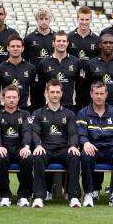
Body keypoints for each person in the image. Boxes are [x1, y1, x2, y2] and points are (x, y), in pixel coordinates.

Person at [31, 79, 81, 208]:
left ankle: (74, 196)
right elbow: (35, 132)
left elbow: (73, 133)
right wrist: (38, 145)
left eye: (57, 92)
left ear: (61, 94)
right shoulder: (38, 113)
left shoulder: (69, 114)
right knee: (37, 156)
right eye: (52, 92)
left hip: (63, 149)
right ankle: (38, 197)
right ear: (46, 93)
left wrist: (73, 146)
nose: (54, 94)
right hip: (45, 149)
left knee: (75, 156)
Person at [77, 81, 113, 208]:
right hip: (93, 147)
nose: (99, 96)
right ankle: (88, 194)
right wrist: (86, 143)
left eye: (101, 93)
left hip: (111, 148)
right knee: (85, 155)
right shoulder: (83, 113)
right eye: (96, 93)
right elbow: (81, 135)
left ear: (106, 94)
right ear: (91, 94)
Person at [0, 85, 33, 207]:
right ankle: (5, 195)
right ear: (3, 98)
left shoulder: (25, 114)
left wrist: (26, 147)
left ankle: (24, 195)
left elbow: (27, 132)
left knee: (28, 158)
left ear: (19, 98)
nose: (11, 100)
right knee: (0, 157)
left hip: (20, 148)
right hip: (4, 147)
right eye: (8, 97)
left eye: (14, 97)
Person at [0, 34, 36, 112]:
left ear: (23, 48)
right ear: (8, 48)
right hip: (5, 111)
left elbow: (34, 94)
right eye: (13, 46)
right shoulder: (0, 69)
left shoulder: (31, 68)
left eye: (18, 46)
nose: (15, 49)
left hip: (25, 110)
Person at [36, 31, 81, 111]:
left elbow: (79, 87)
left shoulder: (76, 62)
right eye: (58, 41)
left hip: (69, 107)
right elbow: (40, 89)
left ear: (67, 43)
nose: (61, 43)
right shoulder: (44, 63)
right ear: (53, 43)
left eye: (64, 41)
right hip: (49, 108)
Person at [68, 6, 99, 109]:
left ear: (90, 20)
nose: (84, 22)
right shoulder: (69, 37)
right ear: (77, 19)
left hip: (89, 80)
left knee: (88, 109)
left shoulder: (96, 39)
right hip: (72, 79)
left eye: (87, 19)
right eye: (82, 19)